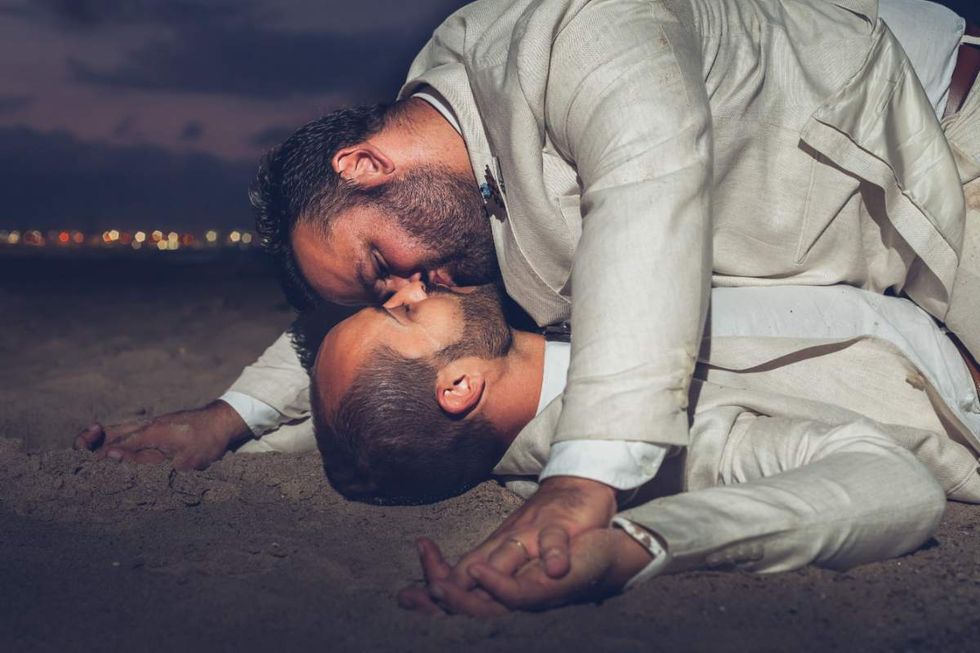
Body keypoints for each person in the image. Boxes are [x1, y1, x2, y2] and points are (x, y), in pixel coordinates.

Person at [76, 0, 980, 600]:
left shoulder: (577, 26)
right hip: (875, 273)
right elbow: (378, 369)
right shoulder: (450, 229)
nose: (411, 284)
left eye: (382, 267)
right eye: (390, 293)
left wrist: (583, 482)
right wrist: (230, 417)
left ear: (365, 166)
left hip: (946, 152)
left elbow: (645, 190)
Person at [308, 280, 980, 615]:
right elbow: (893, 487)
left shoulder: (543, 303)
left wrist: (230, 420)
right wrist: (637, 544)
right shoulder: (643, 446)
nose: (409, 284)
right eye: (402, 312)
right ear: (459, 385)